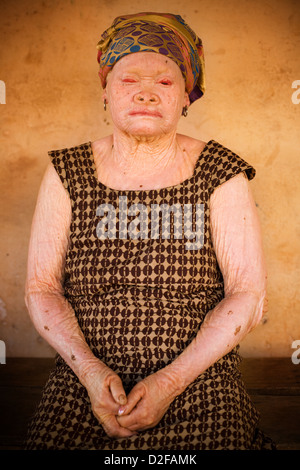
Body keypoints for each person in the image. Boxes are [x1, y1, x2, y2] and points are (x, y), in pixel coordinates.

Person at [24, 12, 275, 450]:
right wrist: (90, 373)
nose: (146, 92)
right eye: (128, 80)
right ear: (105, 93)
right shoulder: (67, 171)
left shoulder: (220, 171)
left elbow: (247, 294)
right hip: (87, 383)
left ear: (185, 97)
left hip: (199, 380)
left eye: (164, 82)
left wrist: (171, 381)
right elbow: (41, 288)